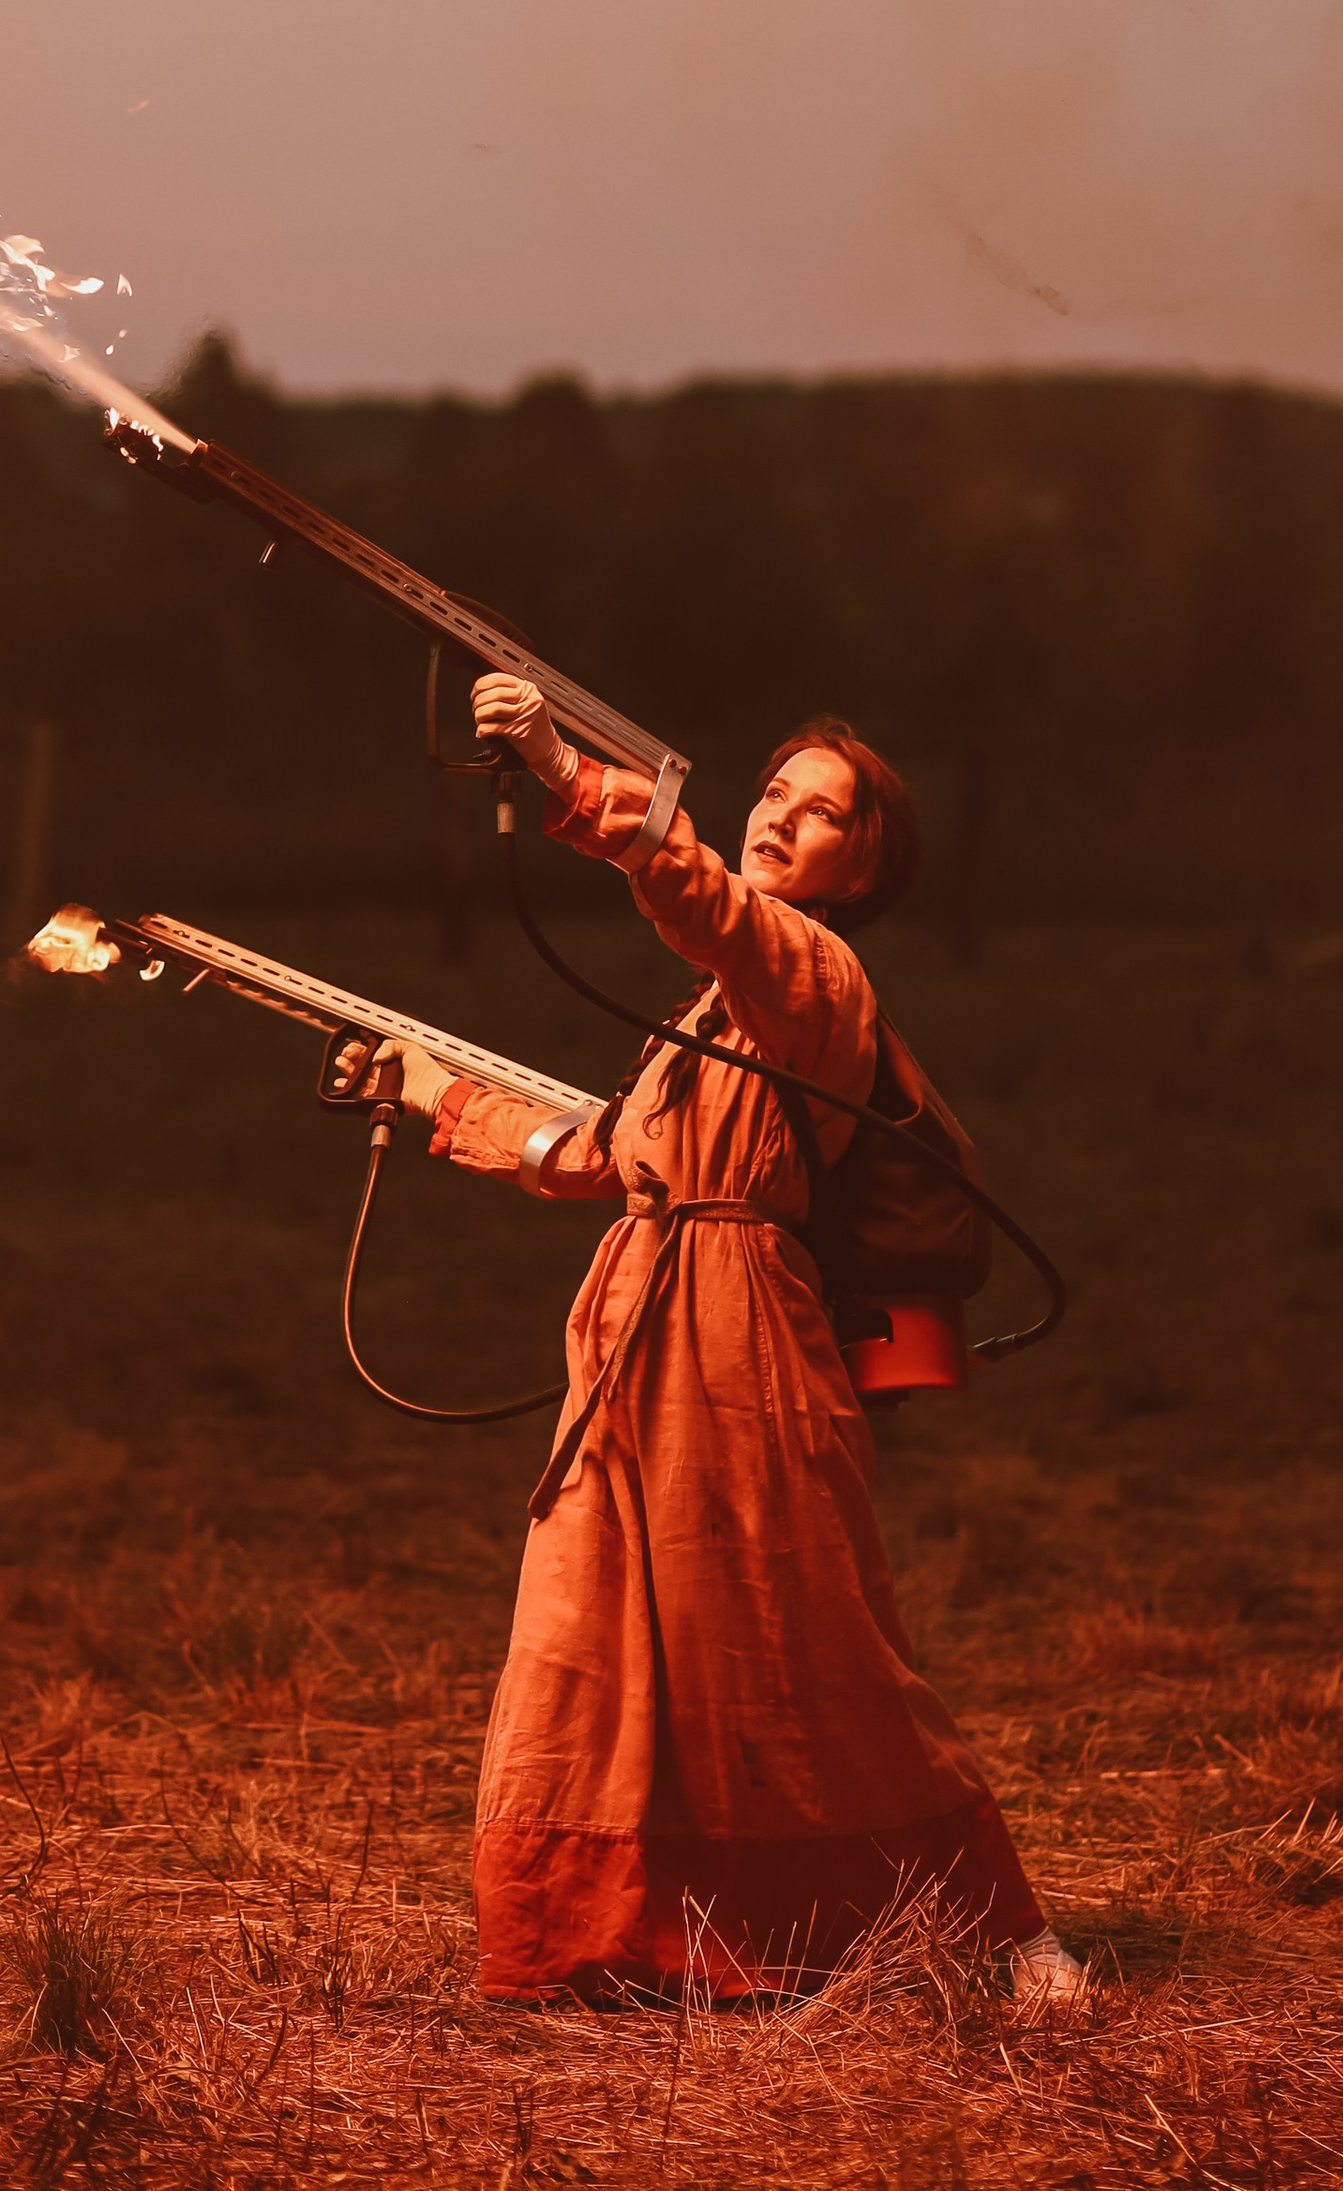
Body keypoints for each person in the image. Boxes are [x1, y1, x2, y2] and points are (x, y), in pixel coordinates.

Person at [372, 672, 1083, 2012]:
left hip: (745, 1337)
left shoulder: (810, 973)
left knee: (799, 1630)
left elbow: (702, 903)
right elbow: (602, 1151)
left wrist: (571, 779)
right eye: (774, 794)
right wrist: (429, 1093)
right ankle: (611, 1936)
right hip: (638, 1331)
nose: (782, 821)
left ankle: (997, 1928)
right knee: (600, 1630)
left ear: (861, 865)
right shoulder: (710, 1014)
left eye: (822, 816)